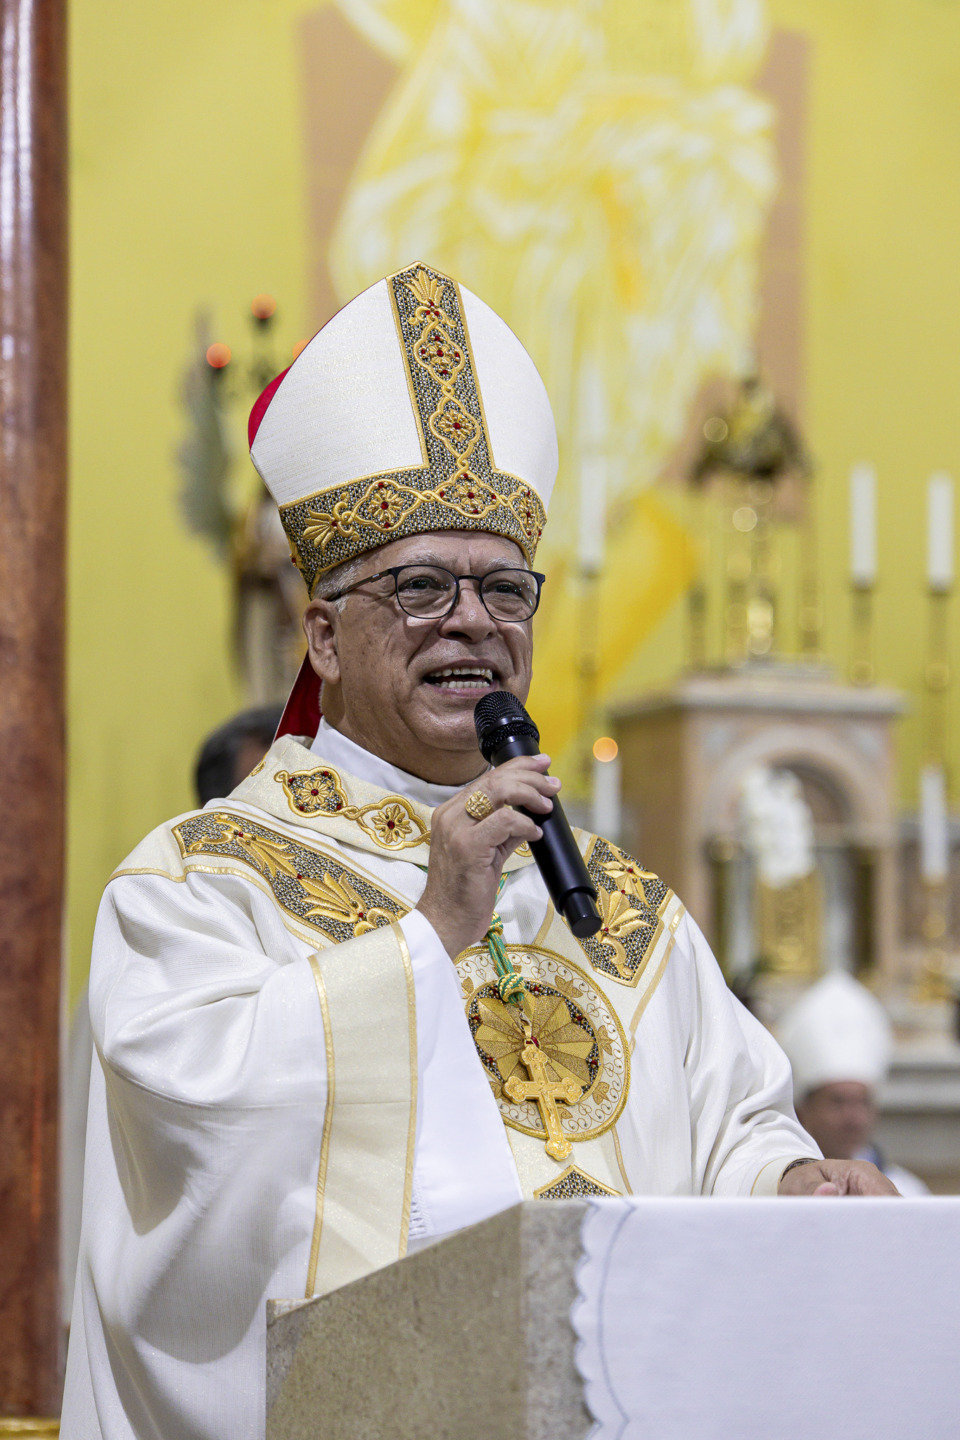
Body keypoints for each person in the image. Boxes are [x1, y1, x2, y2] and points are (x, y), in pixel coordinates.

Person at [61, 263, 895, 1440]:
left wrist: (791, 1183)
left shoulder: (620, 904)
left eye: (507, 589)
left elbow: (732, 1126)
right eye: (418, 586)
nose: (472, 620)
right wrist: (425, 942)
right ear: (323, 635)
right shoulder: (201, 885)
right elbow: (192, 1160)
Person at [777, 971, 929, 1197]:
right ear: (803, 1110)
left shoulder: (908, 1191)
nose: (853, 1118)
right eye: (837, 1102)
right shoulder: (780, 1190)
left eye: (863, 1102)